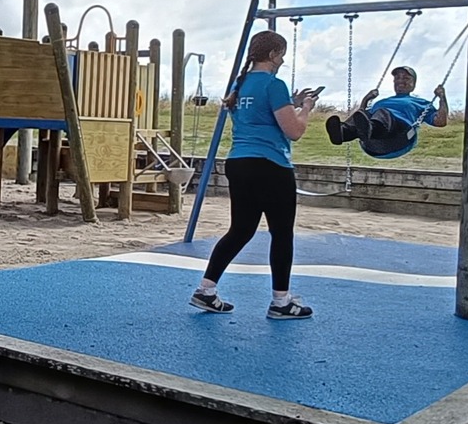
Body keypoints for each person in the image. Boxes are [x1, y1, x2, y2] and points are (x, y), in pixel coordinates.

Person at [190, 29, 318, 319]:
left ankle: (206, 290)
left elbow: (260, 113)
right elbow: (294, 131)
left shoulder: (241, 83)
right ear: (273, 55)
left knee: (241, 229)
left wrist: (292, 102)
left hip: (240, 162)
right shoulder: (274, 84)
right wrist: (306, 108)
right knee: (281, 233)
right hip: (270, 164)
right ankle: (281, 301)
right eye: (282, 55)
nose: (283, 61)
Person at [324, 66, 449, 157]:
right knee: (367, 113)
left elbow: (440, 122)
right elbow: (360, 117)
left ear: (414, 84)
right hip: (373, 144)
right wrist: (366, 99)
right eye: (397, 78)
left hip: (399, 135)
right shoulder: (380, 102)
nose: (401, 80)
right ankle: (343, 133)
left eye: (406, 78)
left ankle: (372, 129)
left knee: (382, 112)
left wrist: (442, 98)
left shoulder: (421, 102)